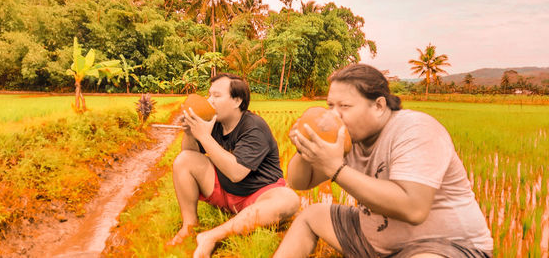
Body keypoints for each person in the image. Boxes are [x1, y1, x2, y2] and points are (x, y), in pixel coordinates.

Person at [274, 64, 493, 258]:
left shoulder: (415, 130)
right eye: (330, 105)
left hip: (442, 246)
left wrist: (335, 169)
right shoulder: (348, 137)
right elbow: (300, 182)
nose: (334, 114)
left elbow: (414, 209)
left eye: (345, 106)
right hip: (375, 242)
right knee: (312, 216)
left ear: (379, 106)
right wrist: (305, 150)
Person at [170, 72, 300, 258]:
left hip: (259, 194)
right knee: (184, 159)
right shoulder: (213, 123)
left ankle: (211, 236)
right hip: (225, 191)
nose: (210, 100)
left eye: (217, 95)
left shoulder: (254, 127)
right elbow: (191, 153)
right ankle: (189, 226)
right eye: (209, 94)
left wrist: (204, 136)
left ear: (237, 100)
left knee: (289, 200)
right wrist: (191, 133)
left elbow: (236, 173)